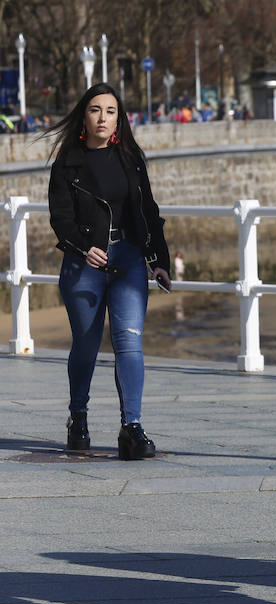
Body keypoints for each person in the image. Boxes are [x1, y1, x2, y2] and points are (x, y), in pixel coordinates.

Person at [44, 83, 172, 461]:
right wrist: (85, 248)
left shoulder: (131, 159)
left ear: (119, 118)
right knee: (85, 345)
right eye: (96, 110)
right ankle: (78, 418)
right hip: (85, 265)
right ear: (84, 115)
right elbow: (60, 219)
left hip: (129, 261)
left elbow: (148, 211)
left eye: (111, 111)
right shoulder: (67, 164)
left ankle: (131, 427)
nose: (103, 117)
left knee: (129, 342)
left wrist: (158, 259)